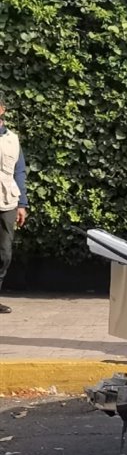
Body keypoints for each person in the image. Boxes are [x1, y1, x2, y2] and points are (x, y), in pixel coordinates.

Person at [0, 94, 29, 313]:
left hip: (7, 202)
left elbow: (19, 171)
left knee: (4, 253)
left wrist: (22, 204)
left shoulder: (12, 139)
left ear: (2, 110)